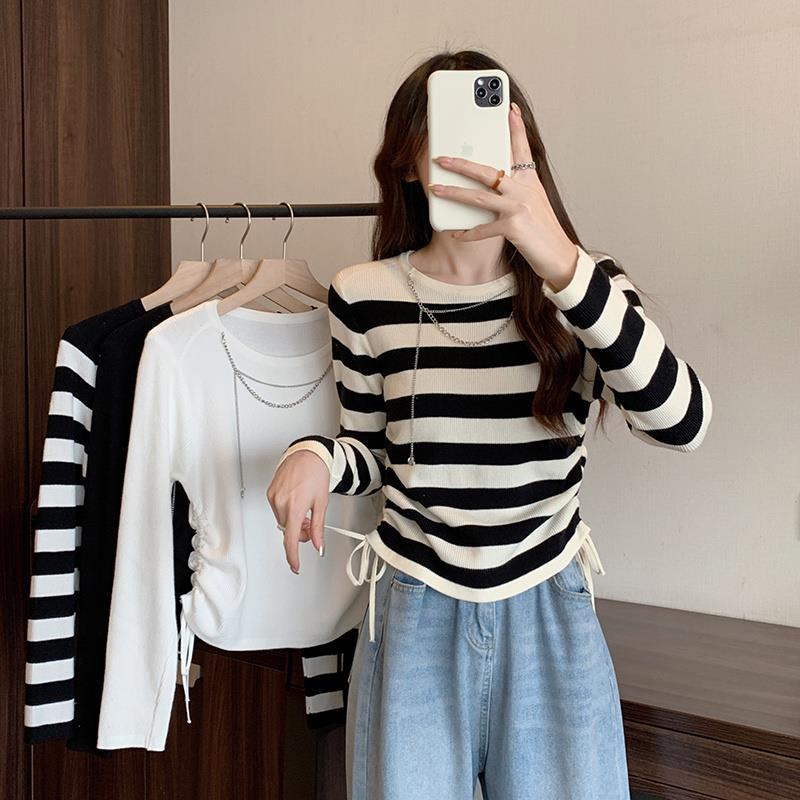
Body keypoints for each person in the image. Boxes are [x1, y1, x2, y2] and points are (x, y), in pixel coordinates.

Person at [267, 49, 712, 800]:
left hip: (549, 606)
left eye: (490, 142)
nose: (470, 162)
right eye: (444, 138)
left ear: (525, 156)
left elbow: (683, 421)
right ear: (408, 163)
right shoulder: (364, 295)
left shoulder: (585, 287)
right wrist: (314, 455)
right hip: (413, 611)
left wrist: (559, 258)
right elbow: (373, 450)